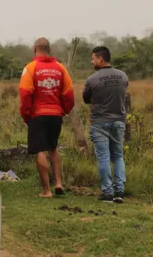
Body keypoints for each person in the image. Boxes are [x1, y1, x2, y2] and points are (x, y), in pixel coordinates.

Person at [19, 37, 75, 198]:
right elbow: (69, 94)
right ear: (49, 50)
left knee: (40, 150)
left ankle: (46, 190)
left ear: (35, 49)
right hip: (56, 114)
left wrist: (26, 114)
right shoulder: (60, 68)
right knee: (53, 148)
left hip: (37, 115)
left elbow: (25, 93)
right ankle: (58, 183)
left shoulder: (30, 68)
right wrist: (63, 110)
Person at [82, 46, 129, 203]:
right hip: (118, 122)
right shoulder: (123, 76)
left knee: (103, 157)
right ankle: (120, 191)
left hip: (99, 122)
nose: (92, 61)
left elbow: (86, 99)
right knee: (118, 155)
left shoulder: (92, 79)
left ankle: (107, 193)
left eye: (93, 58)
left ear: (100, 59)